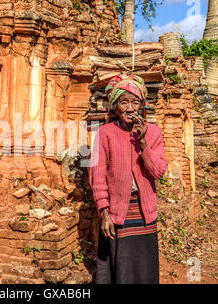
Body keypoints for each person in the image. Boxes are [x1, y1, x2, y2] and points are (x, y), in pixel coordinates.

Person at [89, 74, 167, 284]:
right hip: (116, 211)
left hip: (144, 212)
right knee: (120, 266)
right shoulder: (105, 133)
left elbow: (158, 172)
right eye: (124, 102)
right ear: (115, 107)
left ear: (142, 106)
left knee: (143, 265)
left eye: (135, 103)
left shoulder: (153, 133)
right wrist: (104, 212)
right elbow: (97, 176)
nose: (130, 108)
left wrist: (143, 143)